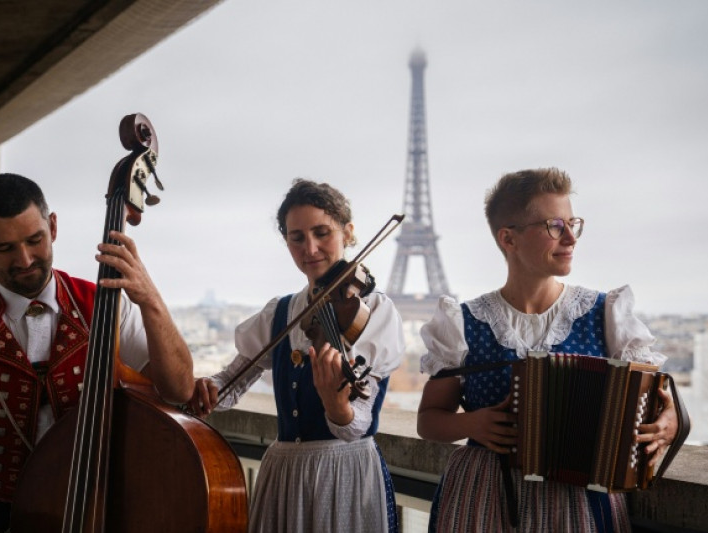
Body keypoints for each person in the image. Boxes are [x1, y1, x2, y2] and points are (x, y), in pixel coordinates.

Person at [0, 173, 195, 533]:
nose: (24, 260)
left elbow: (179, 391)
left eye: (34, 240)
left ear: (53, 227)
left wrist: (150, 298)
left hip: (98, 510)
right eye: (5, 248)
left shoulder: (110, 305)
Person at [416, 168, 680, 532]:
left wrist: (670, 422)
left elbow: (660, 404)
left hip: (578, 501)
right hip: (486, 495)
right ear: (509, 239)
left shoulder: (605, 314)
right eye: (555, 225)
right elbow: (429, 419)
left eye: (574, 224)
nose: (571, 237)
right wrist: (470, 422)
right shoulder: (462, 321)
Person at [186, 179, 405, 533]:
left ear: (348, 233)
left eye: (322, 233)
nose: (311, 248)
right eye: (297, 237)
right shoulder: (281, 312)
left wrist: (337, 406)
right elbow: (231, 382)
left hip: (344, 471)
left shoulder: (374, 310)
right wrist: (210, 387)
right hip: (285, 472)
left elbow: (358, 424)